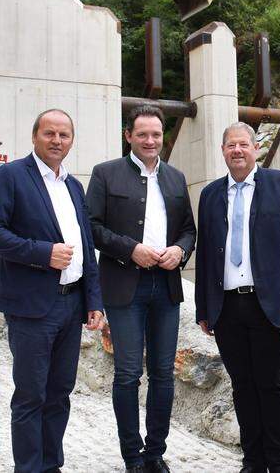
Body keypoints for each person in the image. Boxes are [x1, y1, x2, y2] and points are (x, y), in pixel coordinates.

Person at [0, 109, 105, 473]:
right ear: (34, 136)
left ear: (71, 141)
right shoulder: (12, 176)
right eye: (49, 133)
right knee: (31, 396)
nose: (57, 141)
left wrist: (94, 300)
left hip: (71, 305)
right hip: (32, 309)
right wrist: (42, 253)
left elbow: (85, 246)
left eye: (64, 135)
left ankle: (51, 466)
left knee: (59, 394)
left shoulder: (73, 186)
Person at [86, 105, 196, 473]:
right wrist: (131, 249)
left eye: (156, 135)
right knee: (128, 373)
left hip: (166, 287)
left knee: (164, 374)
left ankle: (155, 453)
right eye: (143, 134)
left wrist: (180, 250)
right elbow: (92, 226)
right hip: (123, 284)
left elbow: (188, 229)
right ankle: (132, 456)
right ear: (128, 135)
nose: (150, 141)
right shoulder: (106, 174)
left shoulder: (177, 178)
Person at [195, 123, 280, 473]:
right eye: (230, 145)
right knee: (242, 387)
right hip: (227, 308)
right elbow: (205, 252)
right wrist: (203, 308)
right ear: (222, 151)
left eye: (243, 144)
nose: (237, 150)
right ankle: (252, 461)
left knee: (271, 386)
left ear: (255, 148)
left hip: (267, 307)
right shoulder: (210, 194)